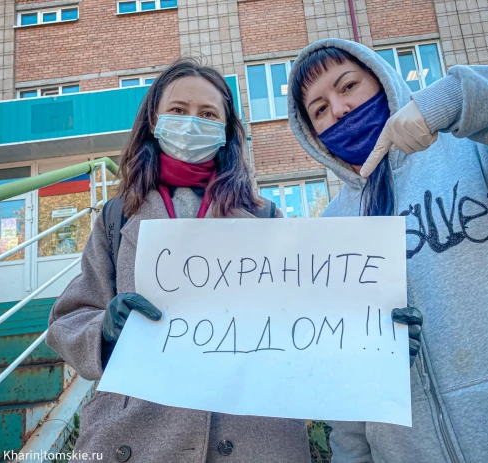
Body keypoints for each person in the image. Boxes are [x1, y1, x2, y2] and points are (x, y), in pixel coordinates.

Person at [288, 38, 488, 463]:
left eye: (348, 86)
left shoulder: (479, 153)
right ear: (312, 135)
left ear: (384, 81)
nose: (338, 109)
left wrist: (461, 98)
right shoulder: (333, 228)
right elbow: (346, 369)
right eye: (319, 109)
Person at [45, 58, 313, 463]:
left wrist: (375, 331)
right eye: (178, 110)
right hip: (138, 435)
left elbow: (313, 317)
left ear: (225, 131)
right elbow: (67, 319)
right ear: (154, 120)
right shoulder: (116, 218)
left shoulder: (266, 217)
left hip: (254, 433)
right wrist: (105, 328)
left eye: (208, 114)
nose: (192, 124)